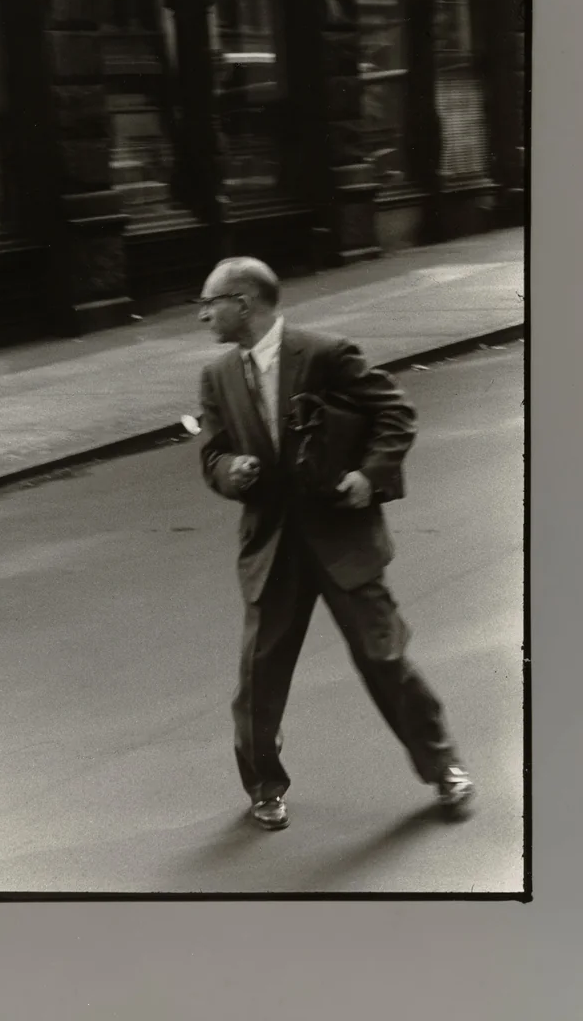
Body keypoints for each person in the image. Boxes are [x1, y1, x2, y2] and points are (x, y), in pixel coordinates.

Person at [197, 256, 474, 831]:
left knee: (384, 656)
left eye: (211, 303)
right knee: (259, 676)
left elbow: (395, 412)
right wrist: (231, 472)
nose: (204, 316)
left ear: (243, 303)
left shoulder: (325, 353)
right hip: (272, 546)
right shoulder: (218, 376)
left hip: (341, 538)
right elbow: (213, 454)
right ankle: (264, 787)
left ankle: (443, 767)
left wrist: (370, 475)